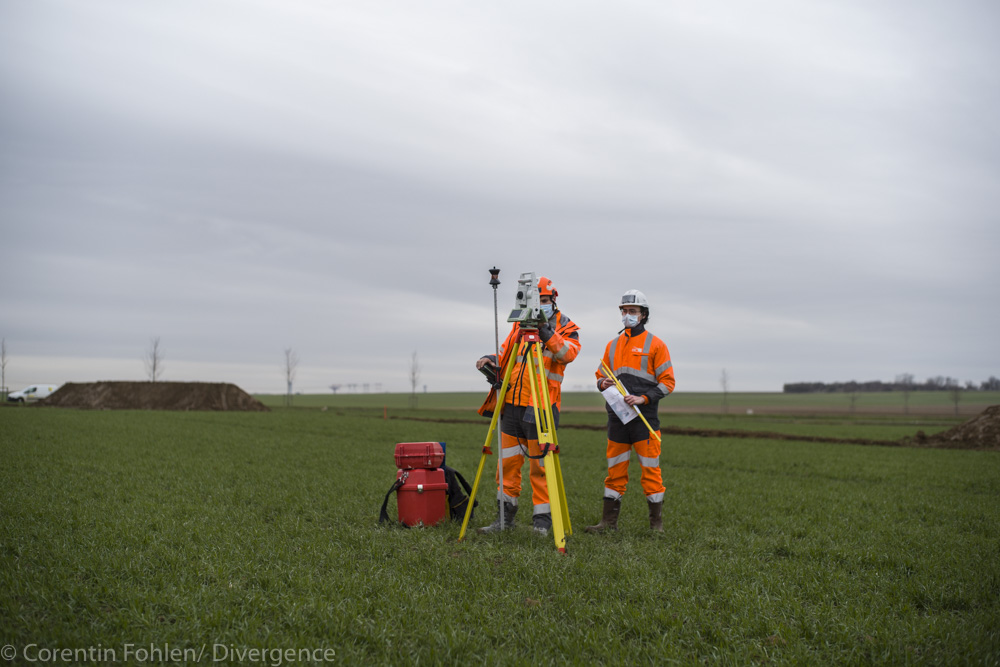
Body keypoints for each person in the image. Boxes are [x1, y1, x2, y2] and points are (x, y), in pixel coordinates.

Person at [475, 276, 581, 535]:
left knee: (540, 467)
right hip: (511, 402)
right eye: (537, 300)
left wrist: (545, 330)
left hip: (541, 406)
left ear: (553, 301)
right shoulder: (519, 325)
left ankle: (542, 524)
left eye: (544, 300)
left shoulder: (566, 325)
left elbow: (568, 354)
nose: (539, 305)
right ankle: (504, 520)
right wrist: (490, 359)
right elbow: (507, 352)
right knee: (507, 464)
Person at [586, 289, 675, 533]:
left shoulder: (656, 345)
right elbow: (600, 374)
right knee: (615, 471)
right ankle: (607, 524)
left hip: (645, 420)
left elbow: (668, 382)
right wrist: (600, 383)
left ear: (644, 315)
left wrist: (644, 398)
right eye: (624, 311)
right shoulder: (612, 345)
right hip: (617, 419)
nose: (627, 315)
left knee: (651, 472)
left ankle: (656, 526)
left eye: (632, 311)